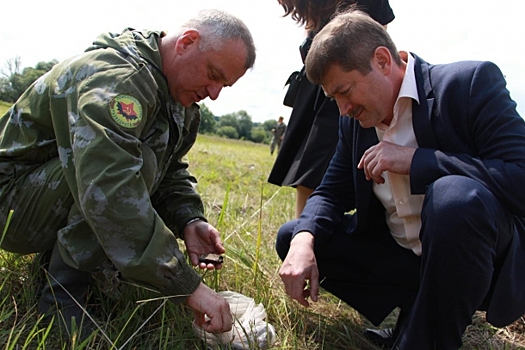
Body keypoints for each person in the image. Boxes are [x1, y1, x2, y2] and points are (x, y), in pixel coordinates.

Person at [276, 9, 525, 350]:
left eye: (345, 92)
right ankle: (416, 312)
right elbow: (331, 192)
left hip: (481, 264)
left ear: (381, 60)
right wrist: (304, 240)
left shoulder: (469, 84)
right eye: (335, 99)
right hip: (404, 259)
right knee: (295, 235)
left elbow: (519, 176)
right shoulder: (355, 122)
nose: (344, 109)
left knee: (454, 195)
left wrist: (417, 161)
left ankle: (425, 338)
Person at [0, 9, 256, 339]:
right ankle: (63, 301)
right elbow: (108, 186)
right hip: (10, 202)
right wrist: (185, 285)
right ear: (187, 42)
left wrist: (189, 220)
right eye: (214, 75)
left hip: (43, 195)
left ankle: (64, 266)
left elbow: (170, 167)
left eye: (224, 85)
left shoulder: (176, 95)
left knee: (142, 161)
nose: (214, 92)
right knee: (130, 165)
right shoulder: (121, 80)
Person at [268, 0, 395, 218]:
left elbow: (379, 36)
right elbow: (310, 38)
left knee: (358, 170)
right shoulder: (312, 6)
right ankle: (303, 233)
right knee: (310, 169)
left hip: (354, 85)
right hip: (320, 85)